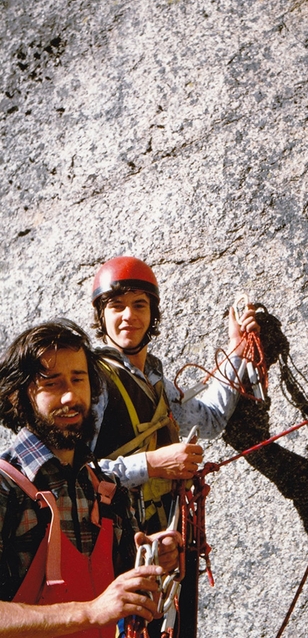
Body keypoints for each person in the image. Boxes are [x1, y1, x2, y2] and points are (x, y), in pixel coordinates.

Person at [90, 256, 260, 635]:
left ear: (153, 314)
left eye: (139, 305)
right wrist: (152, 464)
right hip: (115, 547)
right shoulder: (94, 381)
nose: (127, 316)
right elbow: (80, 474)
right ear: (101, 317)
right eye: (116, 306)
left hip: (165, 542)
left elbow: (209, 419)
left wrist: (237, 352)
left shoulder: (156, 380)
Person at [0, 320, 179, 638]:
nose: (70, 396)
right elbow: (100, 608)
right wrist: (90, 611)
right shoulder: (6, 487)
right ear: (17, 397)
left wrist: (153, 559)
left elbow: (120, 594)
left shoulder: (104, 488)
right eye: (52, 383)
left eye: (78, 379)